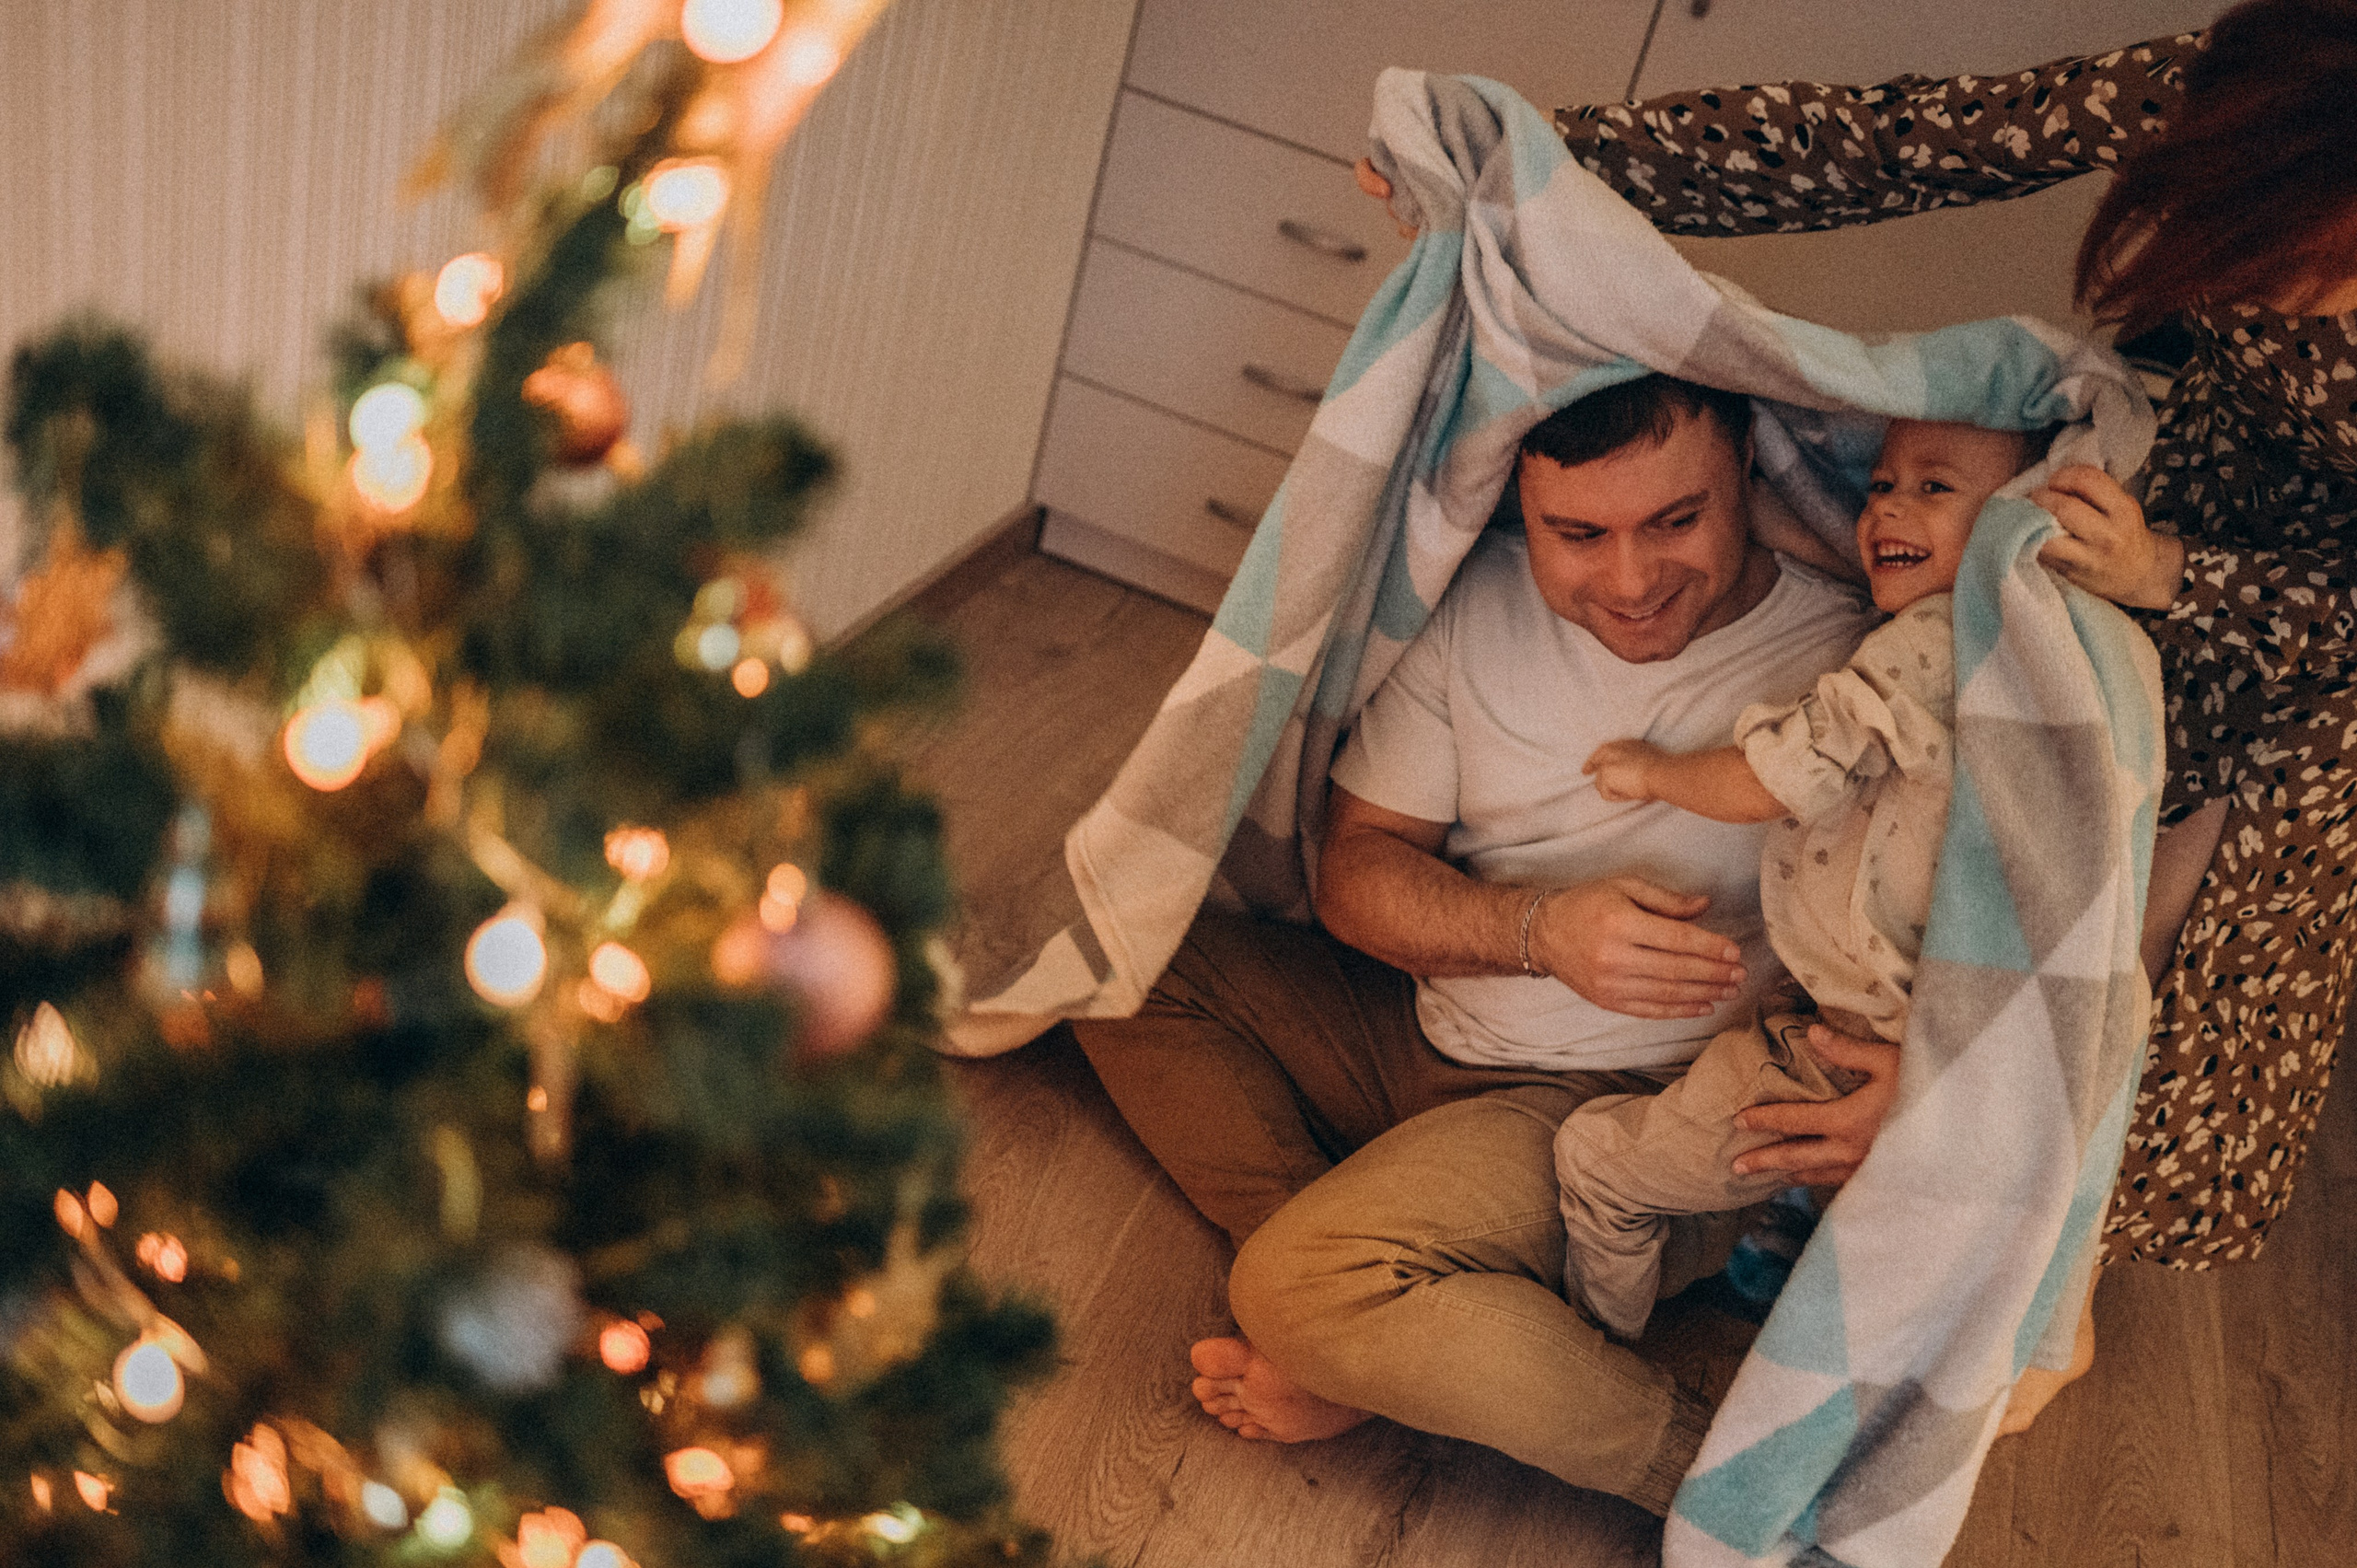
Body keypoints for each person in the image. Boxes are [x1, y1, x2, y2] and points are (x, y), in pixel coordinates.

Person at [1356, 0, 2356, 1429]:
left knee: (2108, 1019)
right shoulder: (2254, 88)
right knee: (1950, 852)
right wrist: (1530, 160)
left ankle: (1972, 1330)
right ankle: (1822, 1201)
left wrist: (2185, 578)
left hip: (2297, 645)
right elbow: (1886, 141)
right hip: (2119, 520)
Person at [1073, 372, 1885, 1515]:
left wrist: (1907, 1070)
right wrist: (1538, 930)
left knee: (1294, 1284)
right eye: (1579, 533)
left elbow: (1951, 928)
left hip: (1629, 1111)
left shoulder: (1853, 660)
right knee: (1114, 945)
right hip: (1423, 1024)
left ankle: (1738, 1493)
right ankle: (1372, 1318)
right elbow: (1355, 868)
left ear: (1748, 465)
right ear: (1519, 499)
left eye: (1676, 519)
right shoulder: (1474, 606)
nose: (1632, 579)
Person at [1559, 420, 2136, 1435]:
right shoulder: (2070, 652)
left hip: (1846, 1051)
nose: (1886, 509)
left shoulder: (1932, 639)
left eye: (1933, 487)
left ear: (2022, 517)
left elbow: (1781, 771)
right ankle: (1799, 1247)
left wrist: (1653, 771)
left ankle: (1586, 1349)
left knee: (1595, 1160)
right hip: (1926, 1033)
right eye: (1877, 484)